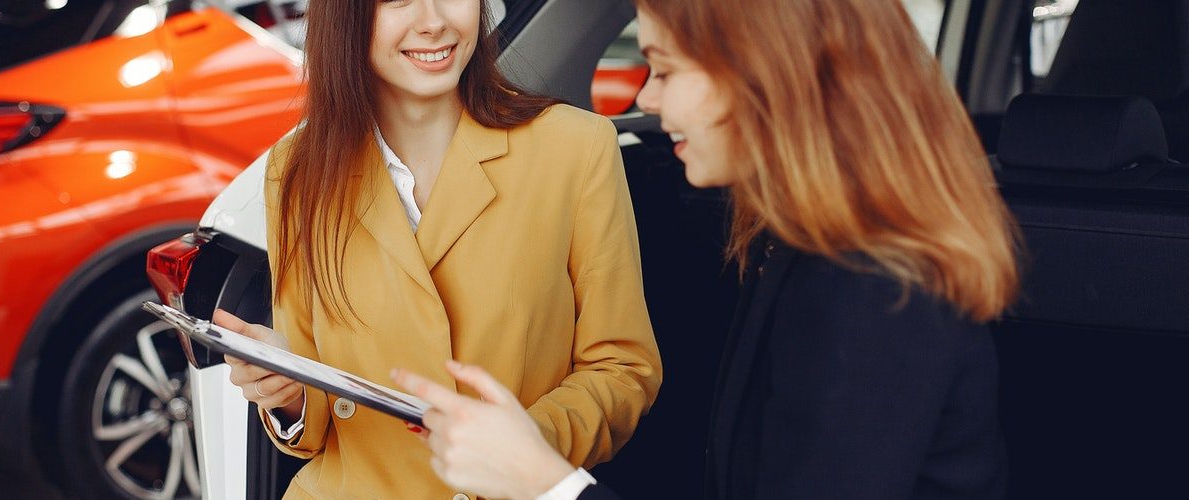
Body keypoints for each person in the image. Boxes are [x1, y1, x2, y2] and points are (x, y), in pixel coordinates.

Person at [390, 0, 1021, 499]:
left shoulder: (872, 289)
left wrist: (542, 483)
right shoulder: (803, 246)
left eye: (665, 70)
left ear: (766, 77)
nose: (645, 98)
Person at [210, 0, 662, 498]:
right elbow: (315, 420)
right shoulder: (296, 170)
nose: (434, 21)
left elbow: (622, 370)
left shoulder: (575, 148)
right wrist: (289, 394)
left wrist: (526, 448)